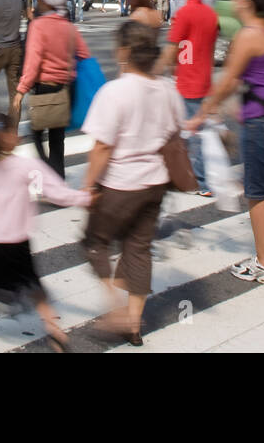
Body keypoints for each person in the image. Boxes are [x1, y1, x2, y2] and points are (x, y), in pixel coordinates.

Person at [188, 0, 264, 284]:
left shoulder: (250, 34)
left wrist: (202, 112)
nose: (233, 3)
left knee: (256, 192)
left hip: (262, 122)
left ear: (247, 2)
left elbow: (228, 81)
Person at [80, 21, 183, 346]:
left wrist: (88, 185)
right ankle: (134, 324)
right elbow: (176, 132)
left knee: (95, 243)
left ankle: (115, 309)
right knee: (139, 249)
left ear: (123, 52)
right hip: (156, 183)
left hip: (120, 184)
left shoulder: (115, 91)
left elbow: (102, 147)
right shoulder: (166, 88)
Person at [0, 113, 91, 350]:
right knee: (32, 286)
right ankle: (55, 332)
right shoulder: (27, 167)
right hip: (18, 242)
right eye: (13, 131)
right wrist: (86, 197)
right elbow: (56, 192)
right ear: (11, 139)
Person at [11, 0, 90, 179]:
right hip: (66, 89)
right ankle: (58, 177)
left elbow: (33, 61)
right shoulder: (69, 27)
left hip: (45, 88)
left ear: (48, 2)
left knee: (36, 132)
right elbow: (84, 54)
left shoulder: (39, 26)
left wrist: (21, 90)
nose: (38, 1)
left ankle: (50, 176)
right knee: (57, 138)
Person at [158, 0, 218, 198]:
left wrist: (154, 73)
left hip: (185, 80)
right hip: (203, 79)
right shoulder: (210, 14)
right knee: (196, 132)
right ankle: (196, 179)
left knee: (178, 132)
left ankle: (194, 179)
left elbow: (172, 49)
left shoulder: (184, 13)